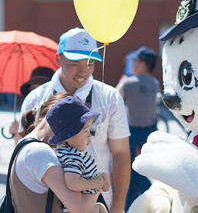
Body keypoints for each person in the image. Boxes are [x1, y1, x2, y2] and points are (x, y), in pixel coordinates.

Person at [18, 27, 131, 213]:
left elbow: (121, 154)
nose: (83, 71)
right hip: (47, 199)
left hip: (98, 196)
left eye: (90, 63)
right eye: (75, 63)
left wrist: (118, 207)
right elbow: (25, 156)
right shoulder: (35, 98)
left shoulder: (110, 97)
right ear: (58, 59)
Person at [12, 92, 108, 213]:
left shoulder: (25, 144)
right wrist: (100, 183)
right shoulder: (41, 152)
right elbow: (80, 207)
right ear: (54, 111)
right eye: (82, 128)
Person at [46, 96, 110, 212]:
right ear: (68, 136)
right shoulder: (72, 155)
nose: (89, 135)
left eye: (89, 130)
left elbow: (81, 174)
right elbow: (73, 183)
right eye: (85, 131)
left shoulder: (67, 153)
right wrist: (97, 183)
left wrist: (100, 176)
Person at [116, 46, 161, 212]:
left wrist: (122, 81)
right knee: (134, 172)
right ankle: (130, 207)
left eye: (135, 61)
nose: (133, 64)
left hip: (133, 134)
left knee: (133, 171)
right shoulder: (154, 83)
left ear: (142, 64)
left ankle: (154, 198)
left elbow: (115, 97)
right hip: (149, 131)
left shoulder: (129, 83)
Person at [9, 66, 55, 145]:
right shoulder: (26, 116)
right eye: (34, 89)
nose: (37, 94)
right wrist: (16, 136)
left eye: (42, 89)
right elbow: (21, 151)